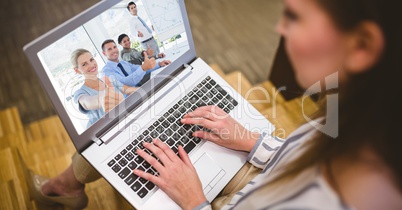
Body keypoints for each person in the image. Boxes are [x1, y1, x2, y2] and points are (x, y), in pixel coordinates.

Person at [28, 0, 402, 209]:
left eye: (294, 16)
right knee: (123, 129)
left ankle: (66, 187)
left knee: (117, 140)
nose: (279, 29)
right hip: (258, 177)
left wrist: (194, 202)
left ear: (364, 45)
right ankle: (71, 184)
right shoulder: (346, 119)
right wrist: (253, 142)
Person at [71, 48, 138, 128]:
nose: (91, 65)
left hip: (125, 122)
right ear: (77, 70)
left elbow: (129, 90)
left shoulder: (109, 80)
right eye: (84, 64)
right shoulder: (80, 93)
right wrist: (102, 97)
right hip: (105, 132)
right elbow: (86, 102)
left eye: (91, 60)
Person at [101, 39, 171, 87]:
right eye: (109, 49)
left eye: (114, 47)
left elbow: (138, 68)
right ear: (104, 53)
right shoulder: (106, 71)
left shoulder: (123, 63)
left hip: (139, 91)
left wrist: (159, 64)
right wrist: (144, 67)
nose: (114, 50)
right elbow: (126, 83)